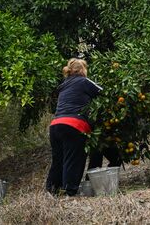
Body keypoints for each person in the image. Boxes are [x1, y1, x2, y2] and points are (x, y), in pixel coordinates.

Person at [46, 58, 102, 196]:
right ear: (83, 70)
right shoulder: (84, 81)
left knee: (58, 160)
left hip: (55, 126)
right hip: (74, 125)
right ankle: (69, 192)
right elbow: (103, 92)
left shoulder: (63, 85)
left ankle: (52, 190)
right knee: (73, 159)